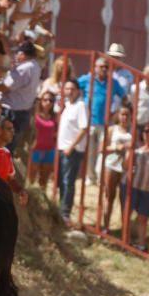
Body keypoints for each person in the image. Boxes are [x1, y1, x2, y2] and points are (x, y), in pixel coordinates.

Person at [78, 56, 124, 185]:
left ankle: (100, 177)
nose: (104, 69)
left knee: (103, 151)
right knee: (91, 152)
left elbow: (124, 96)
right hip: (89, 123)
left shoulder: (113, 83)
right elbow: (73, 86)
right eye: (101, 66)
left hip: (105, 124)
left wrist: (116, 113)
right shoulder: (87, 80)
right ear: (95, 68)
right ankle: (90, 177)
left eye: (106, 67)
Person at [0, 40, 42, 155]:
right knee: (9, 144)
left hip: (12, 112)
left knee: (0, 143)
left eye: (18, 53)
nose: (16, 56)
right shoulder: (35, 66)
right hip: (22, 111)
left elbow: (6, 87)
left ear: (23, 54)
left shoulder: (23, 68)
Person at [56, 78, 89, 223]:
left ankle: (65, 213)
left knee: (68, 181)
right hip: (63, 148)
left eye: (72, 89)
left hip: (72, 150)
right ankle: (60, 208)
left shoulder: (81, 105)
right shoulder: (67, 105)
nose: (69, 91)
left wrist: (72, 146)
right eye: (67, 88)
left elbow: (84, 128)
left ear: (78, 91)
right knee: (61, 181)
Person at [99, 106, 133, 232]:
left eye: (127, 114)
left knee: (125, 198)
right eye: (122, 114)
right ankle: (105, 226)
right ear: (118, 115)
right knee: (109, 195)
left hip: (126, 168)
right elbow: (101, 149)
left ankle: (124, 230)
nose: (124, 117)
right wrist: (115, 148)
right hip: (112, 165)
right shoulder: (112, 130)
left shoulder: (134, 131)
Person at [127, 124, 149, 249]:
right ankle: (126, 238)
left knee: (143, 217)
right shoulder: (137, 149)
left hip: (148, 188)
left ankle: (141, 244)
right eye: (145, 131)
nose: (148, 134)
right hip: (134, 186)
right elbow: (127, 166)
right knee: (128, 213)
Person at [30, 90, 58, 188]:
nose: (48, 102)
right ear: (41, 101)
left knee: (44, 177)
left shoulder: (55, 117)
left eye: (51, 100)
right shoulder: (34, 115)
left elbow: (56, 132)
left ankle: (42, 197)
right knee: (32, 176)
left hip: (49, 149)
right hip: (36, 149)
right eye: (45, 100)